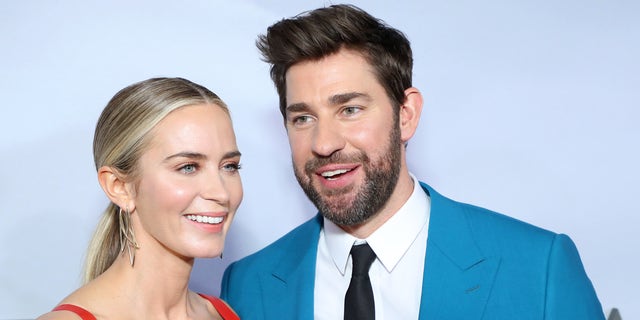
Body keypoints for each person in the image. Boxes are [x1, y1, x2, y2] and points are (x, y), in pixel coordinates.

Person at [220, 4, 604, 320]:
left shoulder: (539, 270)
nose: (324, 143)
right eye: (302, 118)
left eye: (350, 109)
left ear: (406, 115)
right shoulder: (247, 286)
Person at [37, 77, 241, 320]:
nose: (220, 193)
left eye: (229, 166)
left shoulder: (221, 313)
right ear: (119, 186)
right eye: (188, 167)